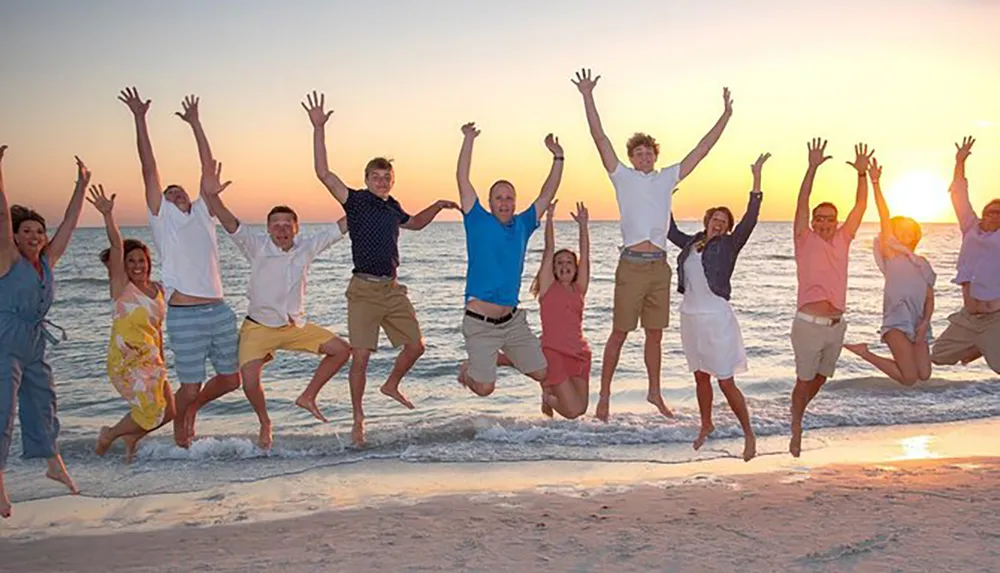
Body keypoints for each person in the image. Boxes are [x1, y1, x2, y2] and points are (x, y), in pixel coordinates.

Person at [572, 68, 733, 422]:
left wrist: (725, 116)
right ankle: (604, 397)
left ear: (655, 156)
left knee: (655, 336)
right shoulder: (621, 176)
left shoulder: (667, 177)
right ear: (632, 157)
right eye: (639, 153)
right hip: (631, 264)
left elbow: (701, 150)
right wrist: (588, 95)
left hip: (659, 267)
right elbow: (600, 138)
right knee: (618, 334)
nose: (644, 158)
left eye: (649, 153)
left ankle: (654, 392)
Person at [303, 91, 458, 446]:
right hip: (363, 290)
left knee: (416, 346)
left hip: (392, 289)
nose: (382, 182)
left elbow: (415, 223)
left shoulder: (393, 208)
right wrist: (318, 129)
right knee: (360, 358)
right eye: (376, 177)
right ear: (366, 179)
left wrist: (437, 205)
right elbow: (324, 173)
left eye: (386, 177)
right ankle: (359, 419)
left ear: (393, 180)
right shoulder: (355, 201)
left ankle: (391, 385)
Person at [198, 159, 352, 451]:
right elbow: (228, 221)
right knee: (249, 383)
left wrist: (364, 200)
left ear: (296, 228)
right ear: (268, 229)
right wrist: (213, 195)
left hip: (294, 326)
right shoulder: (256, 246)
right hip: (258, 328)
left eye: (287, 225)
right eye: (276, 225)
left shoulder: (308, 245)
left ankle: (308, 397)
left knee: (342, 350)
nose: (281, 229)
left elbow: (343, 225)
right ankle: (265, 423)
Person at [119, 88, 241, 448]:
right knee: (189, 385)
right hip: (185, 313)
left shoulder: (204, 212)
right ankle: (180, 436)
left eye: (180, 192)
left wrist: (196, 124)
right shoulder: (163, 220)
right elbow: (149, 169)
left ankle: (188, 412)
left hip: (218, 309)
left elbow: (207, 168)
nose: (176, 195)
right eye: (170, 193)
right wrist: (140, 119)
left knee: (231, 378)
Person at [1, 146, 86, 518]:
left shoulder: (48, 263)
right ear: (15, 236)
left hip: (34, 342)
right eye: (27, 231)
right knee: (3, 410)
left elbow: (69, 224)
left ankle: (53, 463)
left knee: (44, 402)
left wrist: (81, 186)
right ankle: (0, 485)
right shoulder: (8, 259)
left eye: (39, 231)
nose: (34, 236)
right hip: (4, 339)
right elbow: (0, 217)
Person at [668, 153, 770, 462]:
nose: (719, 225)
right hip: (691, 318)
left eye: (724, 223)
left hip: (716, 319)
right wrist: (664, 199)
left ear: (727, 229)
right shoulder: (692, 243)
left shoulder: (729, 245)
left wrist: (756, 180)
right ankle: (706, 423)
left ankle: (749, 435)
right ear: (708, 220)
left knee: (725, 381)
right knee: (700, 376)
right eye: (716, 220)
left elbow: (750, 219)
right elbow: (669, 230)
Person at [455, 122, 561, 398]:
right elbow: (463, 180)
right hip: (479, 323)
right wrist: (468, 140)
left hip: (512, 322)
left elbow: (546, 194)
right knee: (485, 390)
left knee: (542, 373)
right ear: (490, 203)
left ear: (515, 202)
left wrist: (558, 157)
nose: (504, 202)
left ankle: (493, 359)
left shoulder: (523, 224)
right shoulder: (477, 220)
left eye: (509, 198)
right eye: (498, 198)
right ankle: (469, 371)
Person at [789, 139, 872, 457]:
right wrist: (811, 168)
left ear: (836, 221)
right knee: (803, 380)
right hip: (808, 325)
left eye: (829, 218)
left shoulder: (843, 239)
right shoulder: (803, 239)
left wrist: (862, 175)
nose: (824, 223)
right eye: (819, 218)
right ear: (812, 222)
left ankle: (797, 413)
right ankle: (796, 424)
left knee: (822, 378)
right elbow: (801, 202)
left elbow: (860, 207)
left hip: (837, 325)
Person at [88, 185, 176, 463]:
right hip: (127, 359)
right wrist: (108, 215)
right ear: (122, 266)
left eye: (141, 260)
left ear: (149, 262)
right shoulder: (122, 287)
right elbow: (116, 245)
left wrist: (161, 356)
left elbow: (157, 328)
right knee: (151, 412)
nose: (137, 265)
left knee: (170, 412)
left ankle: (131, 437)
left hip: (152, 358)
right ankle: (110, 434)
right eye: (131, 261)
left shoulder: (158, 289)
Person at [844, 158, 936, 385]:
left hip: (919, 322)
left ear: (917, 235)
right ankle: (865, 352)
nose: (907, 235)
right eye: (900, 231)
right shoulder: (891, 253)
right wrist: (875, 182)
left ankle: (873, 351)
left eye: (911, 231)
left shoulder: (923, 263)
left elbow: (930, 297)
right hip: (897, 320)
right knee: (909, 378)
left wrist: (925, 323)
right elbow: (885, 215)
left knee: (924, 374)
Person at [502, 199, 591, 419]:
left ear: (575, 268)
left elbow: (586, 256)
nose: (564, 266)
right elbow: (549, 249)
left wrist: (583, 226)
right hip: (553, 352)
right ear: (553, 269)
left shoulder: (580, 288)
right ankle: (548, 396)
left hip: (578, 352)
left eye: (569, 262)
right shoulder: (548, 289)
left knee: (581, 408)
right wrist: (550, 218)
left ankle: (547, 392)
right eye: (559, 263)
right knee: (571, 412)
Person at [931, 136, 1000, 372]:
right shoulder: (970, 227)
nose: (995, 215)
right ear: (983, 213)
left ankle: (987, 345)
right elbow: (959, 194)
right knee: (939, 356)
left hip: (996, 318)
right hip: (968, 317)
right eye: (991, 211)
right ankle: (978, 347)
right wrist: (960, 161)